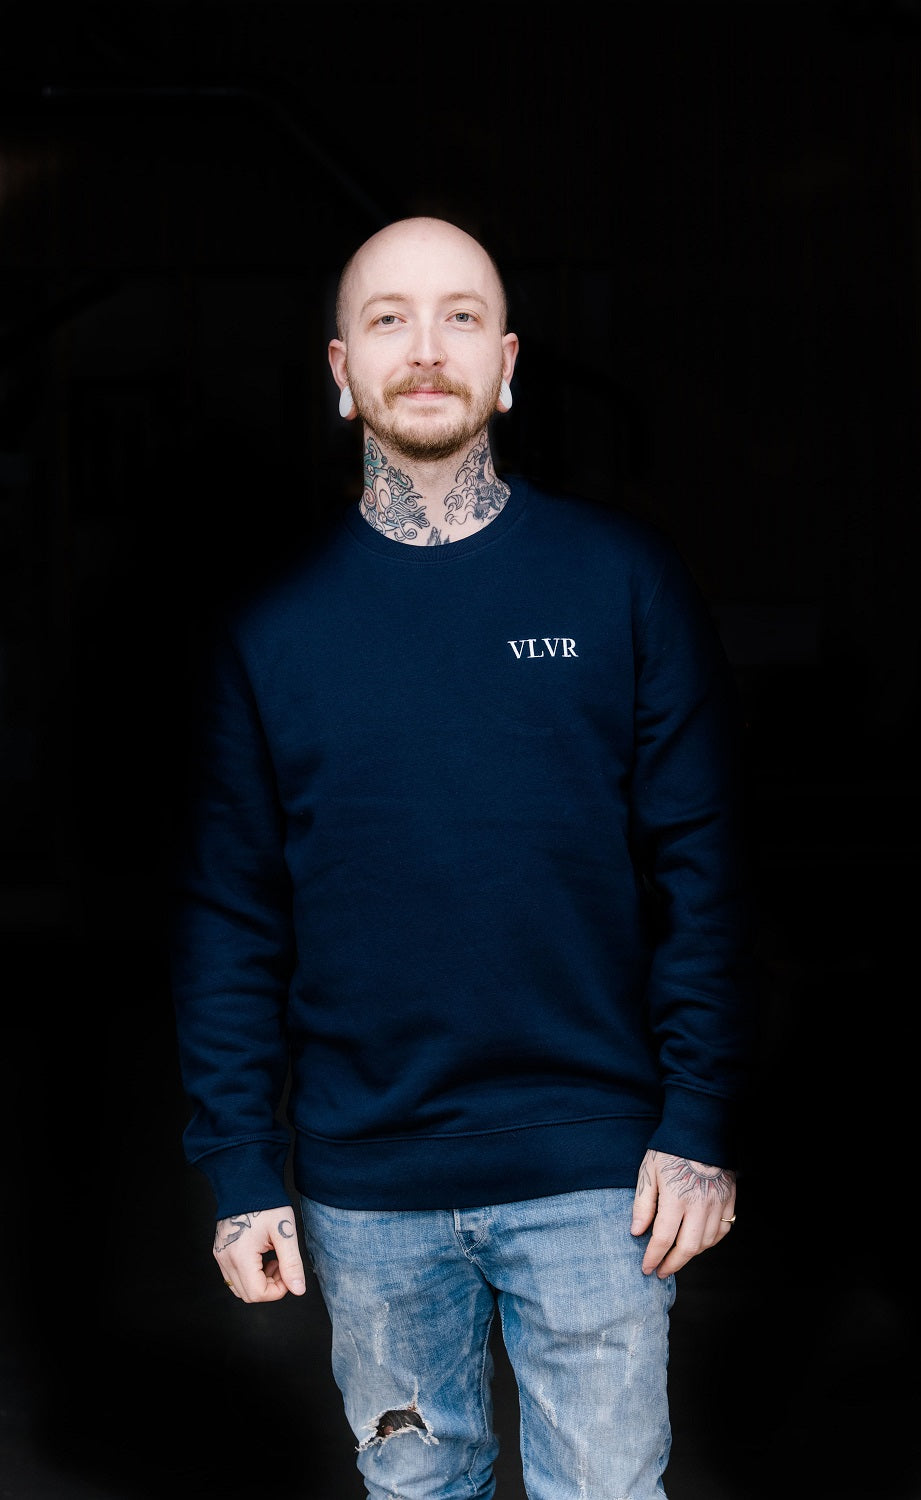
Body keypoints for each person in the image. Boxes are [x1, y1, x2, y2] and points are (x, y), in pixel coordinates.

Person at [170, 215, 755, 1499]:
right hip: (367, 1188)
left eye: (461, 317)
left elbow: (704, 871)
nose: (426, 348)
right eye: (389, 319)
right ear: (342, 370)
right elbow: (230, 917)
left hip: (598, 1177)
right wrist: (241, 1170)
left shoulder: (621, 584)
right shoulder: (273, 632)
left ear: (508, 364)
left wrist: (700, 1123)